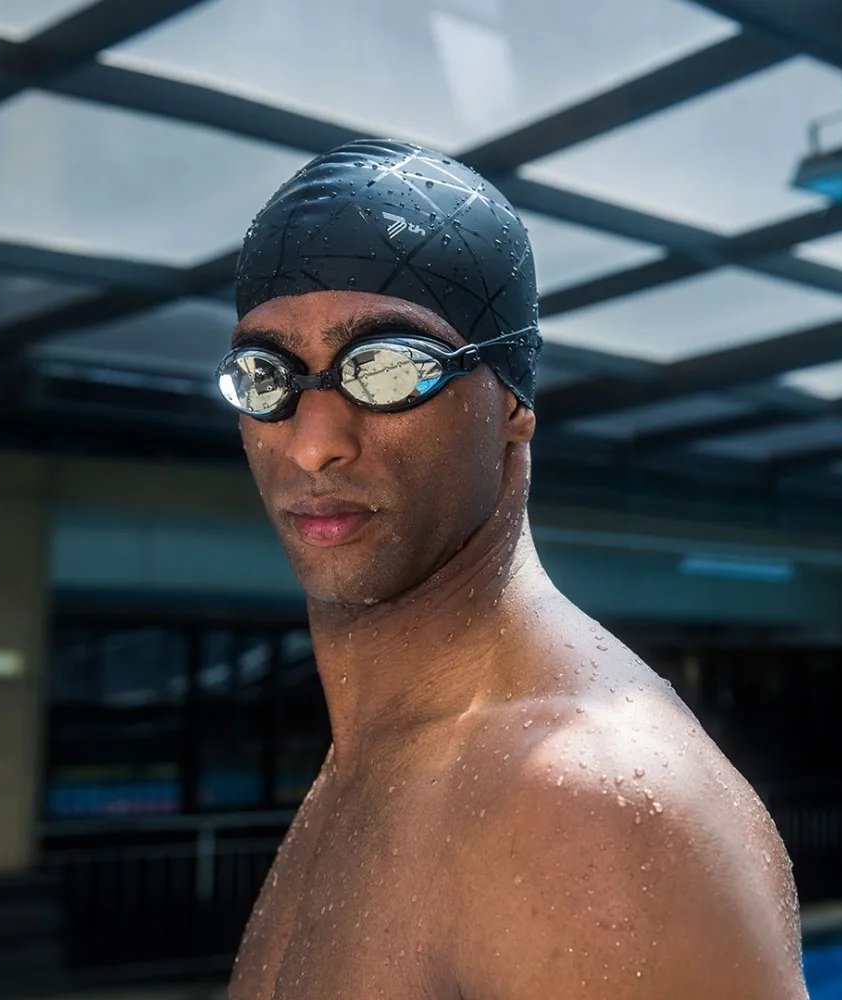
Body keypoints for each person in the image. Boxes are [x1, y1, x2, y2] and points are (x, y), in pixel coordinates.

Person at [218, 139, 809, 1000]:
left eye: (390, 369)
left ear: (514, 404)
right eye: (267, 374)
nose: (313, 445)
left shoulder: (582, 805)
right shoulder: (376, 756)